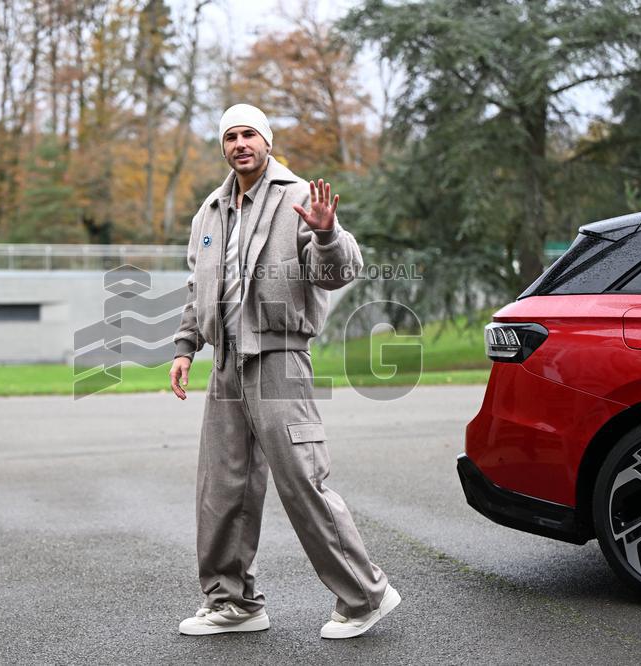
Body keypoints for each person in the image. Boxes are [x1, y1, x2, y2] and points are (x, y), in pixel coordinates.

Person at [169, 103, 399, 639]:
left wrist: (325, 234)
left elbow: (339, 272)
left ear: (267, 142)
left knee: (302, 481)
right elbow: (196, 288)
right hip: (226, 362)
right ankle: (234, 602)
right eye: (230, 136)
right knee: (222, 487)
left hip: (280, 356)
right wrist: (185, 346)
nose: (240, 143)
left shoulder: (298, 197)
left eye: (249, 133)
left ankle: (366, 595)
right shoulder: (209, 211)